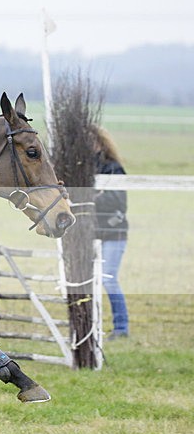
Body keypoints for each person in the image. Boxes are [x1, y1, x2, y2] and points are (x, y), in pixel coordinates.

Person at [92, 127, 129, 339]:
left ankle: (122, 327)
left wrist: (94, 198)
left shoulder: (114, 168)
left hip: (113, 232)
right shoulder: (84, 167)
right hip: (91, 231)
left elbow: (119, 202)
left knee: (108, 278)